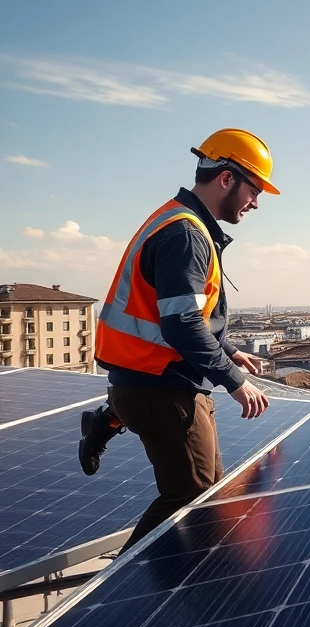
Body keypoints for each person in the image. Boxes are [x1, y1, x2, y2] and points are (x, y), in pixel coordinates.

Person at [89, 128, 277, 550]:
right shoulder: (186, 234)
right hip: (156, 385)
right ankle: (113, 589)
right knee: (190, 497)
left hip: (153, 379)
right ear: (226, 178)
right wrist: (233, 378)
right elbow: (180, 324)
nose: (256, 203)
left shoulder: (178, 219)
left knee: (208, 489)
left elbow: (181, 314)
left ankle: (109, 416)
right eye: (254, 189)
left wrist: (228, 349)